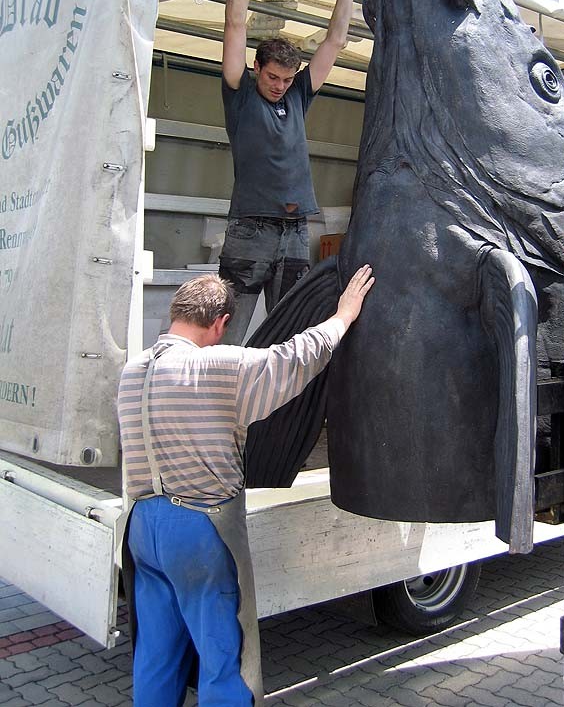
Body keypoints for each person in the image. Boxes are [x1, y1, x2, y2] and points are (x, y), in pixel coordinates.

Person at [117, 263, 375, 707]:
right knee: (224, 658)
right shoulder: (217, 365)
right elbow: (294, 358)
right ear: (220, 323)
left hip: (141, 528)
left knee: (157, 655)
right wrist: (343, 316)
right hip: (199, 530)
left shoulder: (132, 371)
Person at [219, 0, 357, 343]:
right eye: (272, 77)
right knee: (229, 334)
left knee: (291, 337)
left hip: (296, 231)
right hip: (250, 230)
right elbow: (235, 23)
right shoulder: (241, 93)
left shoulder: (298, 95)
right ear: (256, 68)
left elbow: (335, 40)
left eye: (286, 79)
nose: (279, 85)